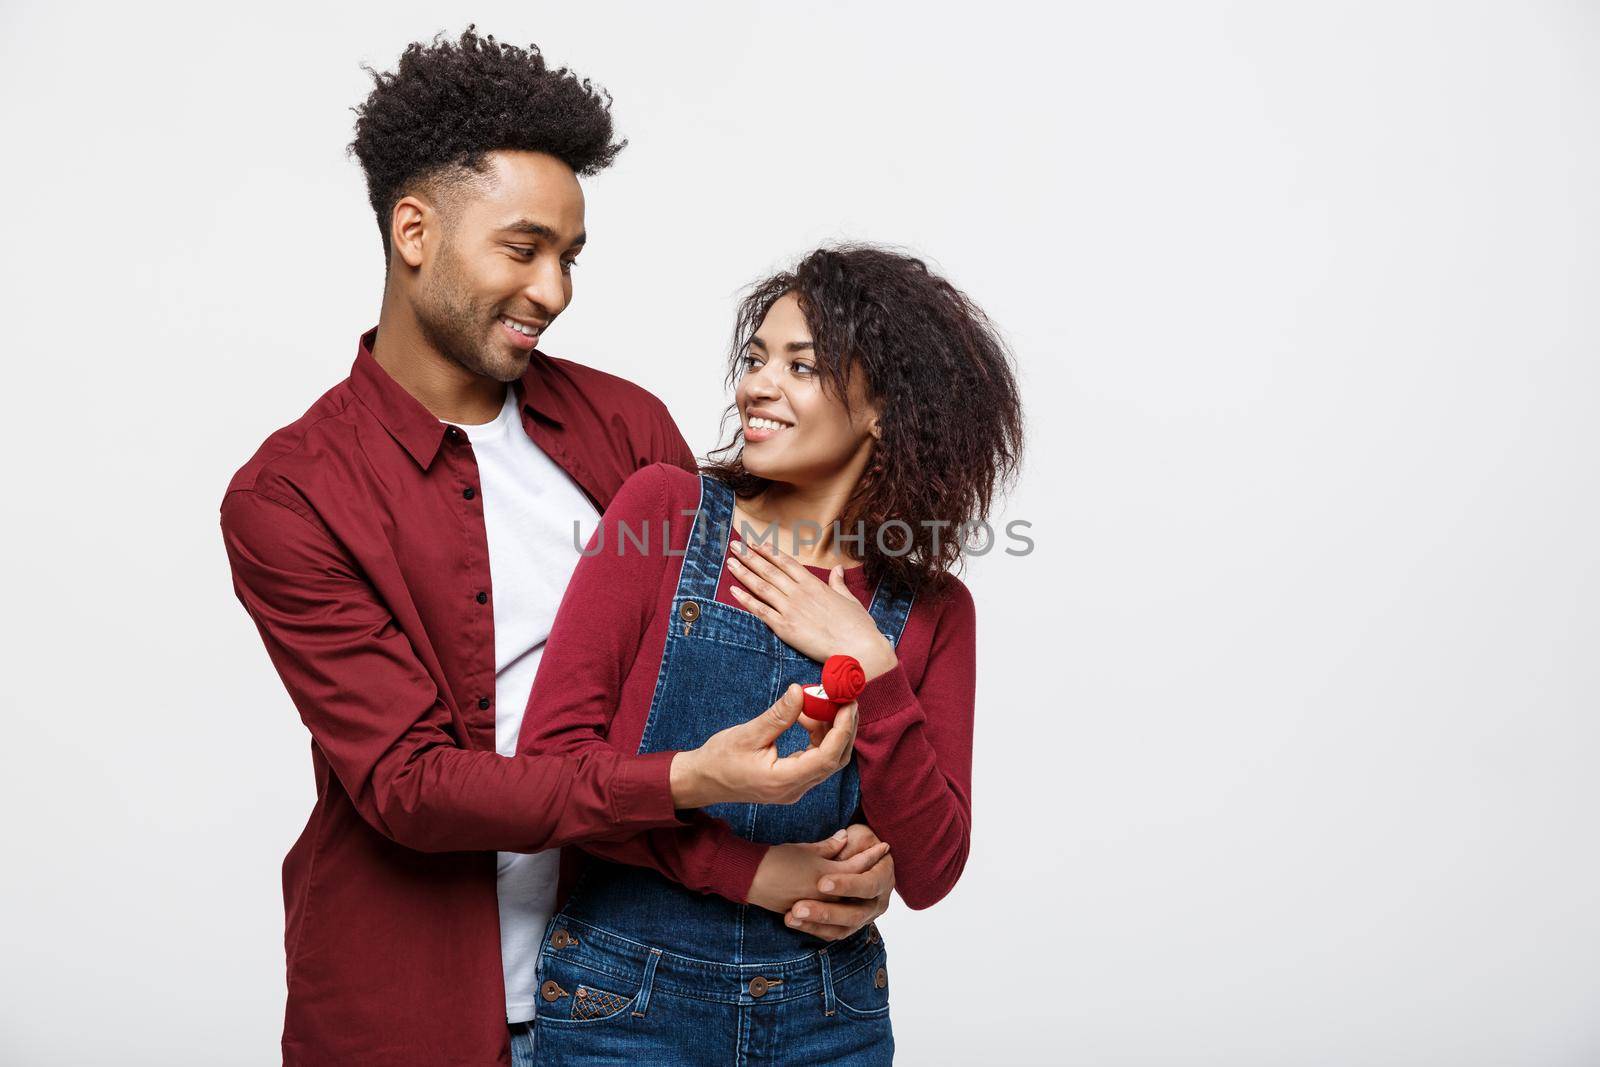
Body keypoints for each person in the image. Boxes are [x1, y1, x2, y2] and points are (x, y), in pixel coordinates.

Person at [218, 29, 893, 1066]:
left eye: (569, 257)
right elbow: (409, 784)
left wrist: (852, 848)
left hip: (643, 995)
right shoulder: (290, 496)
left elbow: (730, 681)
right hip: (409, 1013)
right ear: (413, 230)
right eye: (522, 248)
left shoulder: (629, 436)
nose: (554, 290)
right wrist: (678, 783)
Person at [519, 245, 1025, 1064]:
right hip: (623, 1003)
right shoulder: (665, 515)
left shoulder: (933, 613)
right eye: (756, 358)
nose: (757, 384)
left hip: (828, 1015)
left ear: (884, 409)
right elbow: (552, 774)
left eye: (801, 365)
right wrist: (746, 869)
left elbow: (931, 869)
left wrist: (870, 665)